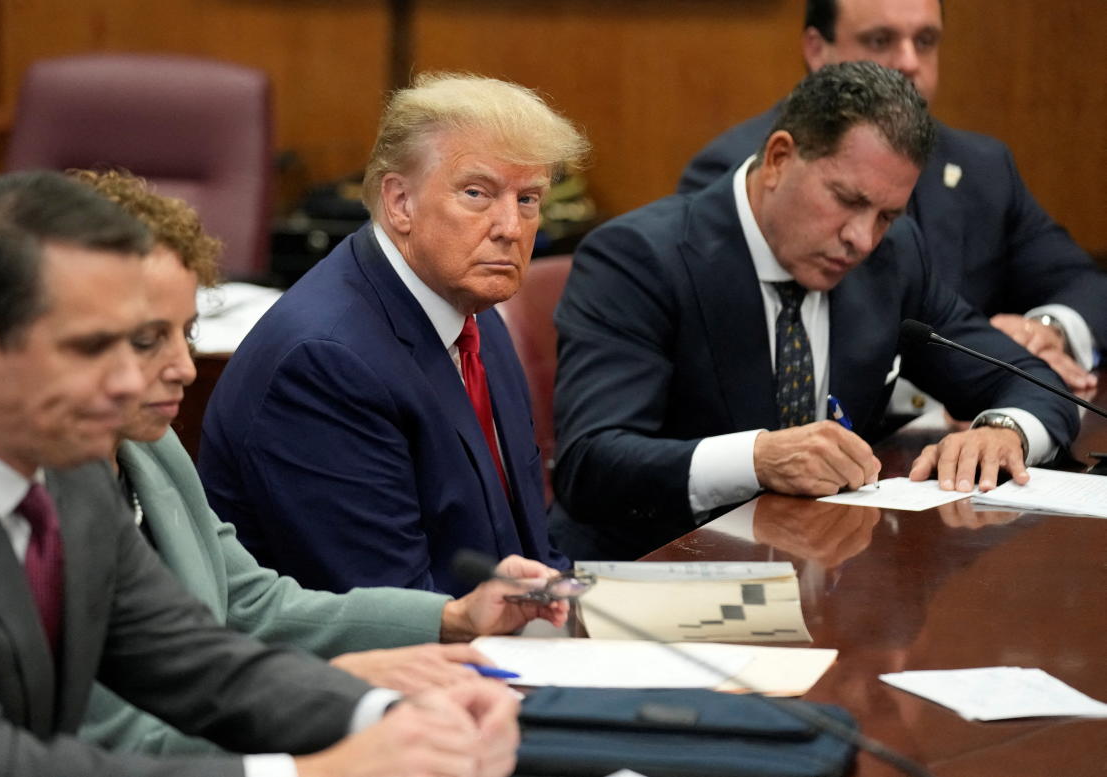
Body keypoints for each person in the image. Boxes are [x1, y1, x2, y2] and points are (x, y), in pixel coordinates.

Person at [0, 170, 519, 777]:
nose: (130, 382)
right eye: (93, 346)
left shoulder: (68, 471)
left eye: (137, 341)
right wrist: (310, 771)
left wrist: (394, 716)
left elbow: (200, 661)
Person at [73, 168, 568, 754]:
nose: (184, 366)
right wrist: (331, 744)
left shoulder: (147, 445)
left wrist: (454, 617)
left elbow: (250, 603)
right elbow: (109, 739)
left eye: (187, 332)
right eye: (146, 339)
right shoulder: (20, 499)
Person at [551, 62, 1079, 561]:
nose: (862, 239)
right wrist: (757, 460)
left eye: (886, 216)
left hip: (824, 579)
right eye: (847, 200)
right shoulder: (639, 258)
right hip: (653, 580)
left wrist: (1005, 429)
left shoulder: (893, 259)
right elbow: (591, 464)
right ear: (780, 159)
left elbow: (1035, 383)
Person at [199, 73, 589, 595]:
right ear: (400, 202)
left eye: (528, 199)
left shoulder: (473, 308)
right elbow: (387, 604)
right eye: (477, 193)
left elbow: (528, 549)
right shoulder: (323, 362)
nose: (511, 228)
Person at [676, 0, 1105, 398]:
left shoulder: (982, 167)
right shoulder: (742, 174)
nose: (908, 63)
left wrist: (1043, 332)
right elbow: (728, 365)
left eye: (925, 41)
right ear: (816, 49)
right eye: (880, 41)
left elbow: (1085, 285)